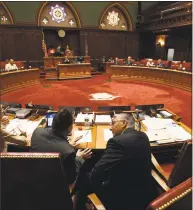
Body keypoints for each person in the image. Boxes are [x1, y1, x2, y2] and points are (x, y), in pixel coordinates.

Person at [74, 113, 155, 210]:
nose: (110, 127)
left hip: (121, 198)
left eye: (113, 123)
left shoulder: (117, 142)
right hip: (143, 191)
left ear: (124, 123)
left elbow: (97, 173)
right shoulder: (143, 135)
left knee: (81, 175)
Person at [30, 108, 92, 185]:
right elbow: (71, 179)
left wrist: (66, 144)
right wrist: (79, 158)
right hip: (56, 187)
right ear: (70, 127)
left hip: (34, 180)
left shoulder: (37, 132)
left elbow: (52, 145)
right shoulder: (68, 151)